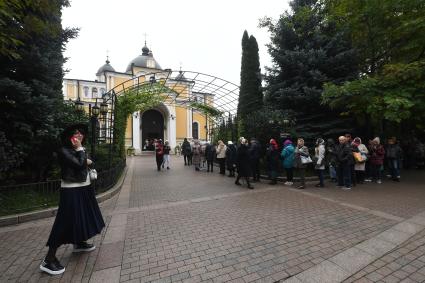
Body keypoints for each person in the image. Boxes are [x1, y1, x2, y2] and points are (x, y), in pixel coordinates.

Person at [40, 124, 105, 275]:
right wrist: (82, 154)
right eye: (76, 134)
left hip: (84, 188)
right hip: (71, 190)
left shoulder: (77, 149)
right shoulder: (63, 151)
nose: (79, 136)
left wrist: (83, 156)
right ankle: (49, 260)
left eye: (81, 133)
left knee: (83, 217)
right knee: (64, 222)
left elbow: (86, 162)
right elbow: (78, 163)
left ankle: (79, 243)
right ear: (69, 136)